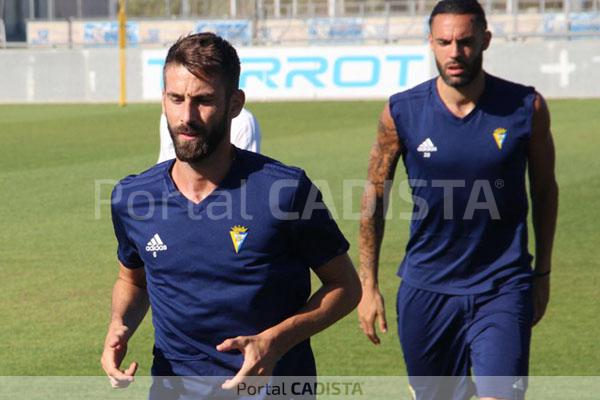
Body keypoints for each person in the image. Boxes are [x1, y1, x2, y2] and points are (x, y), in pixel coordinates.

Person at [101, 32, 361, 398]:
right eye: (176, 99)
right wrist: (119, 325)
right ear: (164, 100)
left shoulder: (285, 191)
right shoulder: (132, 198)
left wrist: (275, 341)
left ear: (234, 103)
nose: (186, 116)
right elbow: (133, 280)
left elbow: (346, 287)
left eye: (204, 101)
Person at [357, 0, 558, 399]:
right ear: (430, 42)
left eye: (465, 42)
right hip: (427, 287)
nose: (455, 53)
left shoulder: (525, 107)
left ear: (484, 40)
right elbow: (374, 197)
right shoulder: (401, 112)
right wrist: (369, 284)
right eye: (445, 42)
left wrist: (543, 273)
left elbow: (544, 190)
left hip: (502, 285)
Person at [157, 107, 261, 163]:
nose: (187, 118)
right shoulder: (169, 115)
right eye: (176, 98)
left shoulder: (243, 122)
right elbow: (166, 160)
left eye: (205, 100)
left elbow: (247, 177)